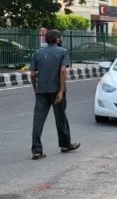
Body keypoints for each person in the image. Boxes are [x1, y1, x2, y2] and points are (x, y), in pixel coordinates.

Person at [30, 29, 80, 160]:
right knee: (61, 118)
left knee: (38, 119)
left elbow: (32, 74)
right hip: (56, 90)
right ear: (57, 39)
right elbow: (63, 71)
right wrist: (61, 91)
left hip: (41, 90)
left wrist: (35, 88)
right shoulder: (62, 52)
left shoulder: (38, 53)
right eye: (60, 37)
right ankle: (65, 145)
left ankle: (36, 150)